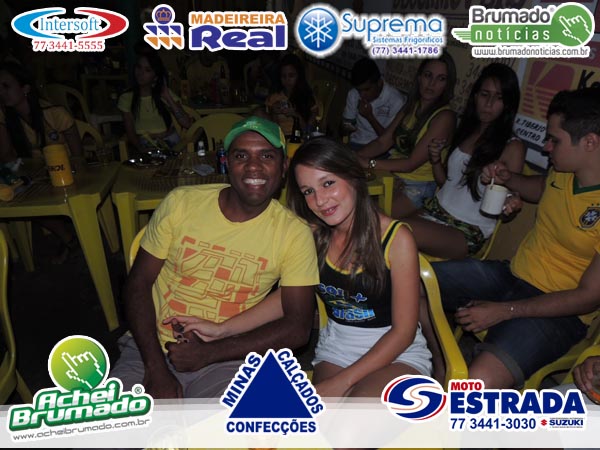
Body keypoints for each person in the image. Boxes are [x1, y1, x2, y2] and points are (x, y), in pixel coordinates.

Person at [170, 138, 432, 399]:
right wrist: (221, 329)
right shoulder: (314, 236)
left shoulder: (396, 239)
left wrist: (341, 383)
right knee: (319, 421)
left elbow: (403, 333)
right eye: (308, 191)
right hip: (338, 351)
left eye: (328, 183)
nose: (320, 200)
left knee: (355, 420)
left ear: (353, 176)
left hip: (397, 352)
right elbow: (286, 299)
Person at [110, 116, 319, 399]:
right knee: (122, 421)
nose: (254, 166)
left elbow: (298, 328)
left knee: (233, 424)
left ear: (283, 168)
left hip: (230, 355)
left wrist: (210, 353)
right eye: (241, 155)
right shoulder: (182, 203)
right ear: (226, 163)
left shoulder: (293, 234)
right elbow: (138, 283)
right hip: (149, 347)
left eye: (267, 156)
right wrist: (156, 368)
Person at [422, 87, 600, 388]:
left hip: (559, 312)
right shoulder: (564, 171)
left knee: (477, 382)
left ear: (590, 142)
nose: (546, 147)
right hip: (512, 275)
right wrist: (508, 178)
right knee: (413, 279)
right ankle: (440, 366)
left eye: (555, 140)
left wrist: (505, 311)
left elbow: (588, 297)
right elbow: (541, 188)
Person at [397, 63, 525, 259]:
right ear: (475, 96)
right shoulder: (467, 130)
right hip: (435, 210)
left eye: (498, 97)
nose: (489, 103)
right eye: (484, 94)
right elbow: (445, 183)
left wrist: (511, 206)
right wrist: (436, 160)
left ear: (508, 104)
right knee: (382, 227)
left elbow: (506, 207)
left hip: (467, 229)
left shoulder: (512, 146)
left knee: (397, 231)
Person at [0, 61, 82, 263]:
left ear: (25, 88)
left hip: (67, 172)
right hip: (35, 175)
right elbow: (7, 156)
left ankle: (69, 239)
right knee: (19, 196)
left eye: (6, 86)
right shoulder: (5, 117)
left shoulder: (55, 113)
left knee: (29, 194)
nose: (1, 92)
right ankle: (69, 239)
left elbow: (78, 156)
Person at [358, 53, 457, 212]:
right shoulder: (411, 105)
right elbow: (383, 142)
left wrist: (370, 163)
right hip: (392, 175)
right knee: (347, 196)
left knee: (366, 215)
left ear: (447, 85)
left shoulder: (445, 117)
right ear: (419, 77)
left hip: (417, 186)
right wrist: (355, 157)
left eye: (441, 79)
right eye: (428, 75)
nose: (431, 83)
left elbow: (411, 164)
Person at [118, 48, 191, 156]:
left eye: (147, 70)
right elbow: (130, 132)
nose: (140, 73)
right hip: (147, 144)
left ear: (155, 76)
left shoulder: (163, 93)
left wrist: (167, 97)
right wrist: (141, 149)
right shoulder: (127, 97)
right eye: (139, 67)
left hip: (171, 141)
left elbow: (187, 123)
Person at [342, 57, 406, 152]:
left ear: (379, 83)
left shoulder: (396, 100)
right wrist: (349, 126)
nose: (362, 95)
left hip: (383, 148)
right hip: (356, 143)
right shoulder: (354, 94)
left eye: (367, 89)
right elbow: (346, 125)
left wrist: (369, 117)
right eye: (359, 90)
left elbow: (390, 140)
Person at [264, 53, 317, 137]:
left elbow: (309, 131)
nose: (287, 80)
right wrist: (273, 112)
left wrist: (295, 115)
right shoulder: (274, 97)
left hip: (299, 138)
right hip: (279, 138)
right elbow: (270, 128)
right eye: (283, 76)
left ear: (299, 76)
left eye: (291, 76)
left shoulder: (307, 97)